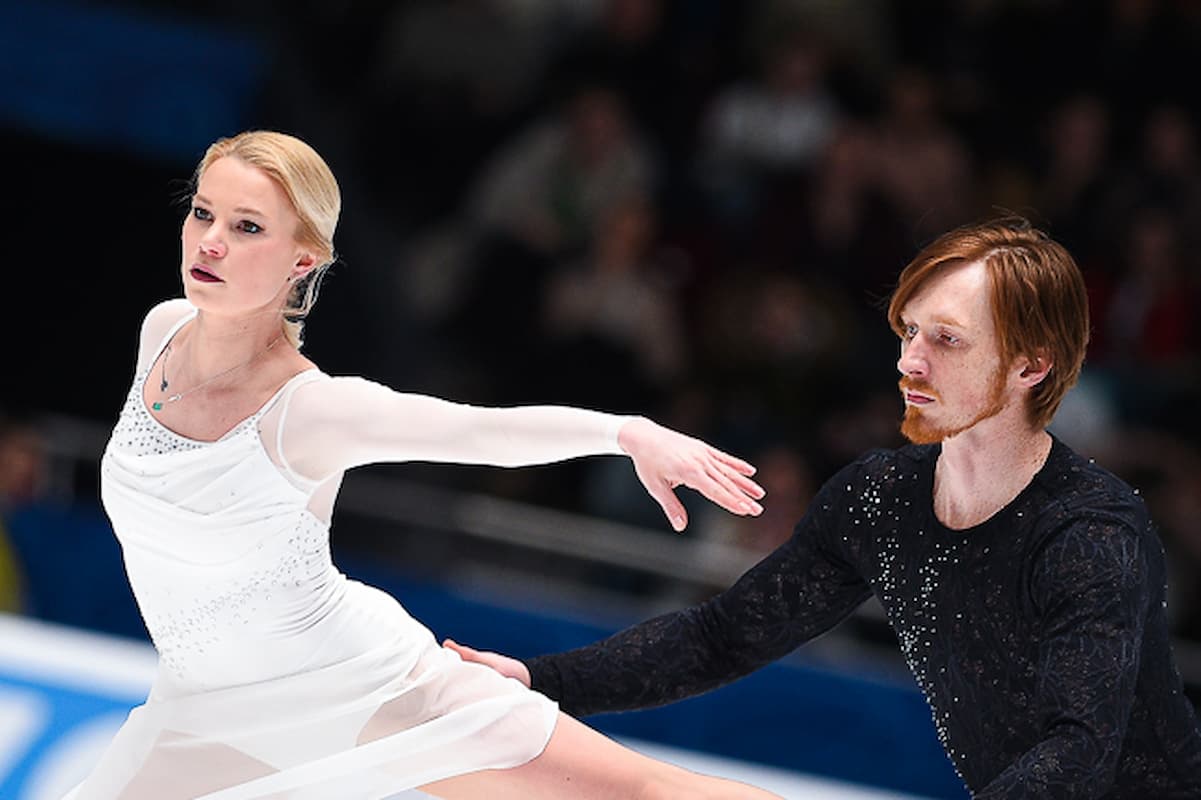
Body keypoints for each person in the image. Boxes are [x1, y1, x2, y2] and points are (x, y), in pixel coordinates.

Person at [64, 130, 783, 800]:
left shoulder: (311, 411)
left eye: (247, 227)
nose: (211, 242)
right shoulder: (162, 330)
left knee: (646, 795)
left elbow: (479, 433)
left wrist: (625, 432)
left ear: (301, 260)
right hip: (203, 709)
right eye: (203, 214)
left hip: (363, 688)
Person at [449, 217, 1201, 798]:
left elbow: (1075, 754)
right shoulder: (881, 497)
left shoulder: (1088, 534)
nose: (908, 361)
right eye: (908, 331)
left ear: (1030, 366)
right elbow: (725, 636)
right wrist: (539, 679)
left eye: (946, 340)